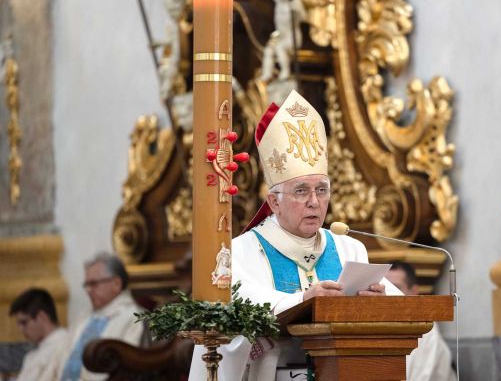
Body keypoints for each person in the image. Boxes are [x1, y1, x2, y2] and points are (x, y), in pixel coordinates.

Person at [189, 90, 402, 381]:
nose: (314, 202)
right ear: (274, 202)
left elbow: (399, 308)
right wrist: (302, 301)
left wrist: (380, 302)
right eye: (301, 191)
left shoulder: (349, 248)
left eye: (322, 190)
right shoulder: (241, 252)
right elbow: (234, 313)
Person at [57, 253, 144, 381]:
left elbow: (129, 368)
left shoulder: (134, 318)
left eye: (94, 284)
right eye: (87, 285)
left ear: (116, 283)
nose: (88, 290)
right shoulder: (83, 318)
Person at [386, 262, 457, 381]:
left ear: (414, 292)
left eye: (396, 288)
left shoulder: (425, 327)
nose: (389, 294)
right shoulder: (377, 324)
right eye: (386, 287)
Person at [9, 288, 68, 381]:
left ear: (42, 317)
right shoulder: (34, 354)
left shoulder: (66, 346)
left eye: (24, 322)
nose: (20, 329)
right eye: (18, 324)